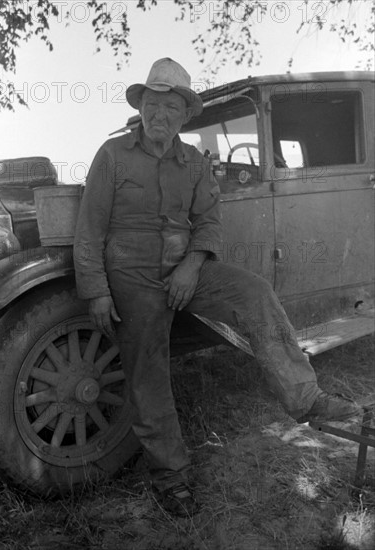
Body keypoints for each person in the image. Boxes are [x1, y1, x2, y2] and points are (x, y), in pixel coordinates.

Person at [74, 58, 361, 517]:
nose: (159, 115)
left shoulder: (194, 163)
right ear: (141, 105)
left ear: (184, 115)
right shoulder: (112, 156)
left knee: (255, 293)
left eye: (170, 107)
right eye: (152, 103)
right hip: (131, 274)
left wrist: (191, 265)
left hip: (187, 268)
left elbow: (208, 222)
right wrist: (97, 291)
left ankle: (304, 398)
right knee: (148, 369)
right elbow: (89, 229)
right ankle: (171, 476)